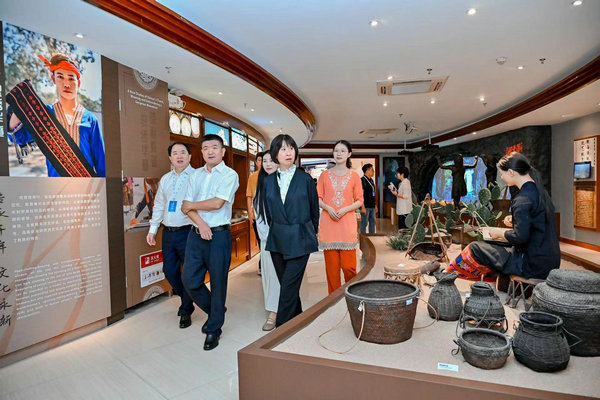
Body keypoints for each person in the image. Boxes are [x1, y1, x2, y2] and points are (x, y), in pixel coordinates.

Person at [447, 152, 560, 281]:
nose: (501, 177)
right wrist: (515, 220)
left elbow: (520, 237)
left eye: (502, 174)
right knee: (491, 245)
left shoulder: (522, 200)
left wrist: (499, 233)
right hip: (548, 261)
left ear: (511, 172)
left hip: (531, 265)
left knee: (475, 248)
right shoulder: (539, 192)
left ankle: (448, 274)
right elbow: (537, 223)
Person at [180, 134, 239, 350]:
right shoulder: (195, 175)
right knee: (189, 280)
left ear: (223, 151)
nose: (210, 151)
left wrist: (193, 206)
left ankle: (214, 329)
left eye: (215, 147)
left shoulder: (230, 174)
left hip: (219, 236)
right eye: (205, 148)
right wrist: (202, 224)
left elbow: (217, 203)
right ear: (202, 152)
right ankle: (216, 311)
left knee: (218, 282)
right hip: (196, 234)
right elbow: (184, 207)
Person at [8, 53, 105, 177]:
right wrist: (20, 104)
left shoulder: (90, 119)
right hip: (56, 185)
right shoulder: (44, 113)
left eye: (71, 78)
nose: (66, 84)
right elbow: (19, 137)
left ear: (78, 82)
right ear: (53, 79)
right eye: (60, 77)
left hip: (86, 185)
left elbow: (101, 163)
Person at [263, 134, 319, 327]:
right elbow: (269, 212)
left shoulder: (305, 179)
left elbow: (314, 210)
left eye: (291, 148)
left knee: (287, 289)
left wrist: (311, 232)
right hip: (277, 240)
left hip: (300, 238)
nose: (288, 152)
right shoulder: (268, 181)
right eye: (283, 149)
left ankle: (282, 332)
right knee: (289, 287)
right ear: (275, 154)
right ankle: (299, 322)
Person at [146, 142, 195, 328]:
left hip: (188, 231)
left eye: (183, 152)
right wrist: (153, 229)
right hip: (168, 232)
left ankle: (186, 309)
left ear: (189, 156)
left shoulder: (197, 176)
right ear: (170, 158)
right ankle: (188, 299)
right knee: (169, 271)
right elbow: (159, 204)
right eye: (175, 153)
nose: (179, 156)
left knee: (189, 273)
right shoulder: (165, 179)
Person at [317, 140, 363, 294]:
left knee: (349, 267)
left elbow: (359, 200)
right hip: (329, 226)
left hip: (347, 225)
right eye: (336, 150)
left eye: (342, 151)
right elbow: (317, 198)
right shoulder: (324, 175)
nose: (339, 153)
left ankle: (352, 296)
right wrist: (328, 208)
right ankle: (334, 300)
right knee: (332, 270)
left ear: (349, 154)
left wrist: (345, 209)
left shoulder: (355, 176)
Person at [252, 150, 280, 330]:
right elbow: (259, 213)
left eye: (272, 160)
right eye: (265, 161)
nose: (268, 164)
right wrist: (267, 236)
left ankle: (286, 310)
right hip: (268, 239)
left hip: (285, 239)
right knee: (270, 276)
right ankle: (272, 313)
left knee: (284, 277)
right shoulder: (261, 185)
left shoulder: (285, 182)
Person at [246, 151, 265, 276]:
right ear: (256, 162)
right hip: (257, 215)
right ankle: (262, 265)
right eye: (259, 160)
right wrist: (249, 213)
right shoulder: (252, 177)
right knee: (260, 241)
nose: (262, 163)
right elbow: (248, 196)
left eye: (264, 160)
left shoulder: (271, 175)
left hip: (270, 216)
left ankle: (266, 265)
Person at [360, 163, 377, 234]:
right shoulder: (362, 180)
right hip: (365, 206)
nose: (373, 171)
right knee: (364, 223)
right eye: (372, 170)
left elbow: (373, 194)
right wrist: (362, 207)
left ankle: (372, 236)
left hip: (372, 205)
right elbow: (360, 195)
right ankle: (362, 237)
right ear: (367, 171)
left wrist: (375, 205)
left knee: (373, 222)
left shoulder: (372, 180)